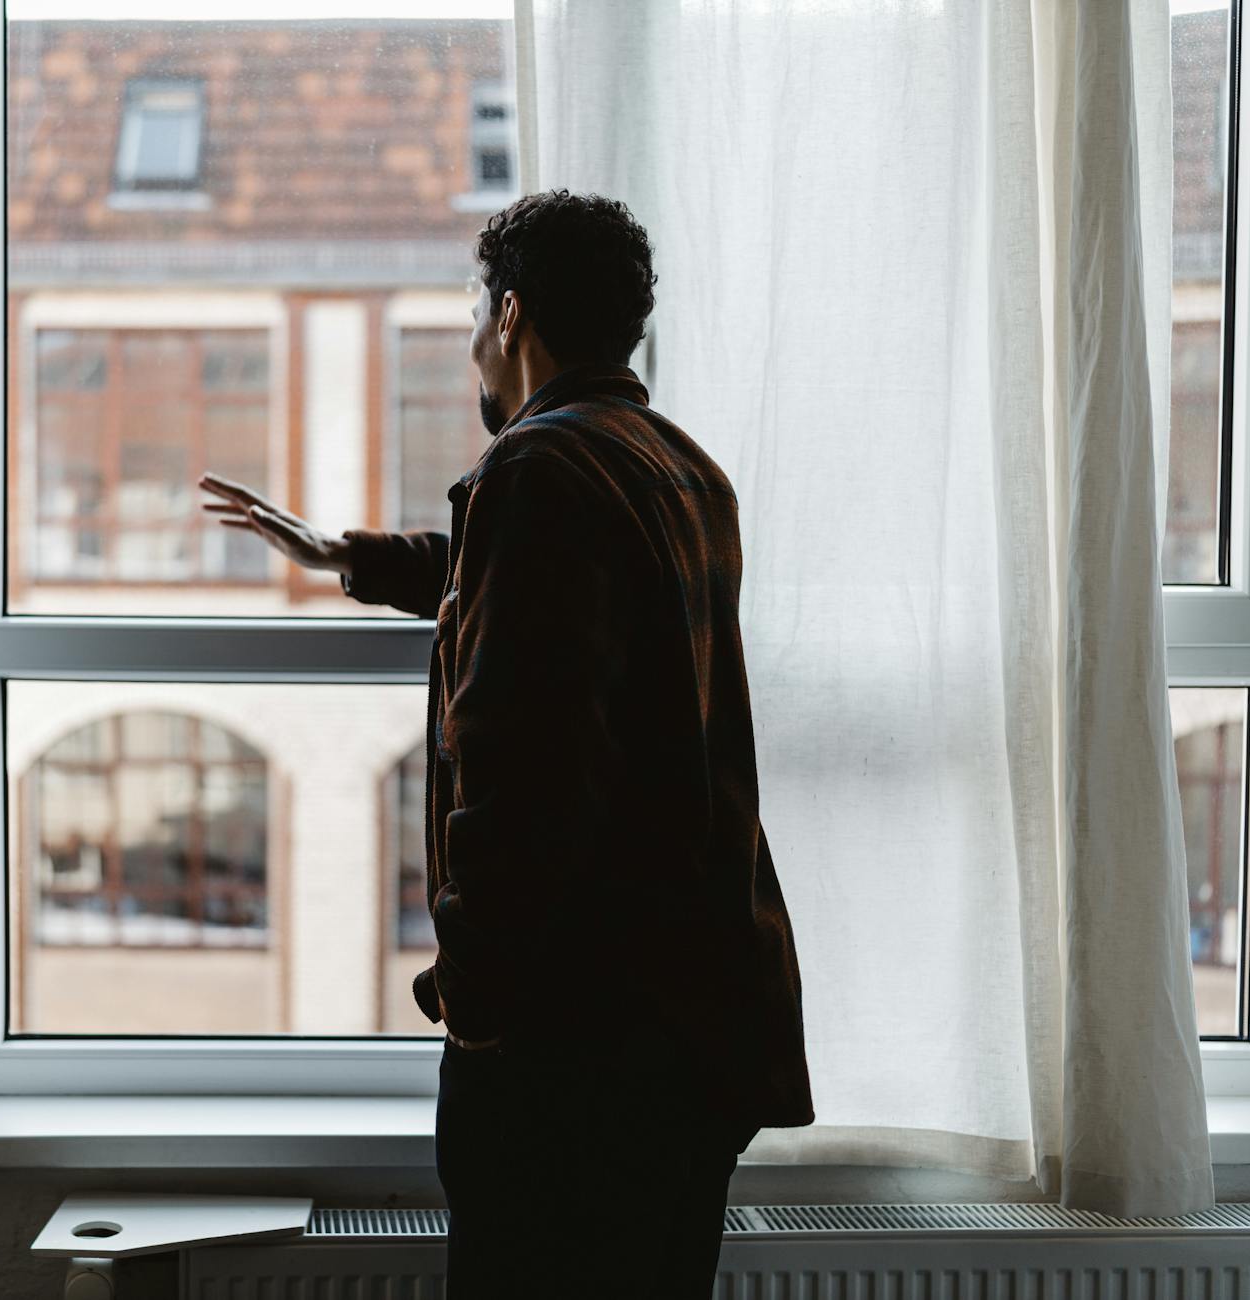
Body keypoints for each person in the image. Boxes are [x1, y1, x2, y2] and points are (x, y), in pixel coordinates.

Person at [198, 189, 813, 1296]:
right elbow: (545, 592)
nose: (476, 348)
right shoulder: (677, 468)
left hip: (578, 1055)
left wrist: (471, 1003)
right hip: (694, 1034)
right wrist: (352, 556)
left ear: (514, 315)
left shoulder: (534, 475)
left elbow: (524, 773)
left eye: (477, 321)